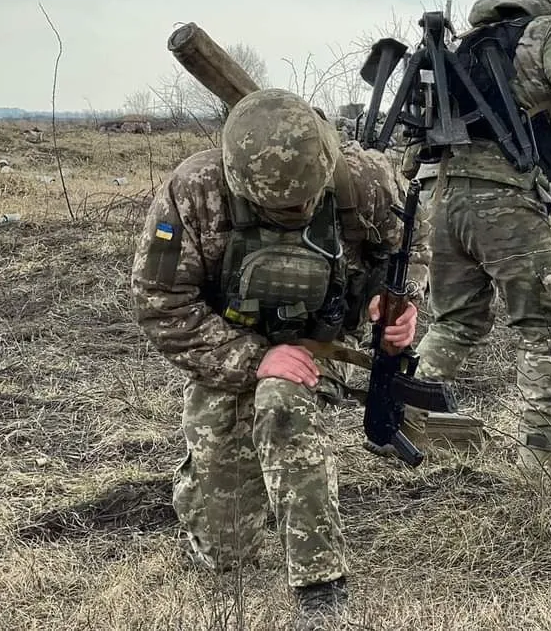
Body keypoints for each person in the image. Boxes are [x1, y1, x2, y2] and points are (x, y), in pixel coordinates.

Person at [130, 88, 429, 630]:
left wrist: (399, 307)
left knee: (282, 404)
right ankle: (230, 506)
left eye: (305, 203)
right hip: (229, 348)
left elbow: (411, 247)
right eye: (281, 210)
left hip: (319, 346)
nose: (296, 213)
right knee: (226, 553)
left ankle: (321, 584)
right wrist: (254, 359)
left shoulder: (365, 181)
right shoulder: (193, 193)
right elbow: (162, 306)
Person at [407, 0, 551, 474]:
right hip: (503, 198)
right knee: (544, 327)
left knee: (456, 320)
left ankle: (406, 425)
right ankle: (535, 464)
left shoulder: (475, 41)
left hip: (445, 197)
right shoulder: (549, 29)